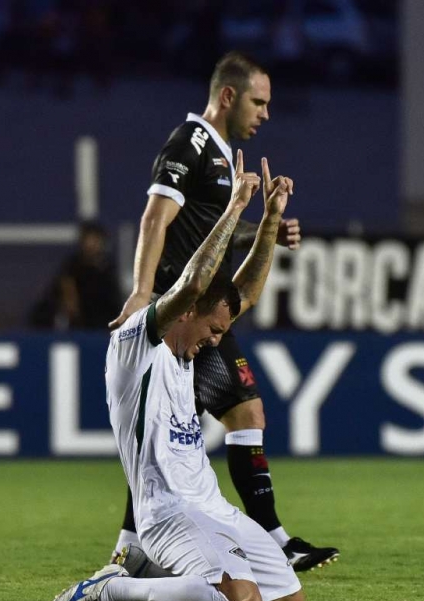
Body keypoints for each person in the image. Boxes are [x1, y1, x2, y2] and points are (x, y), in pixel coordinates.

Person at [107, 52, 338, 571]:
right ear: (228, 96)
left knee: (212, 419)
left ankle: (135, 550)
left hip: (205, 311)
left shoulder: (220, 157)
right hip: (180, 316)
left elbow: (206, 238)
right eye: (259, 101)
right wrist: (144, 295)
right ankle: (265, 541)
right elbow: (153, 220)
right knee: (204, 420)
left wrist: (266, 231)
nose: (266, 113)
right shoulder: (189, 145)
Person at [50, 152, 305, 601]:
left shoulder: (190, 347)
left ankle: (154, 568)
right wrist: (232, 211)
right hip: (166, 514)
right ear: (187, 312)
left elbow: (241, 294)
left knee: (289, 599)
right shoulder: (135, 342)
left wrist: (269, 222)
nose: (213, 343)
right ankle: (111, 588)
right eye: (212, 331)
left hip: (212, 506)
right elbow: (191, 285)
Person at [30, 220, 122, 330]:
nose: (91, 245)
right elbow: (67, 296)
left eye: (95, 240)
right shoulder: (72, 268)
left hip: (101, 326)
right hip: (76, 327)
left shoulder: (108, 270)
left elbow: (113, 303)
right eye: (88, 240)